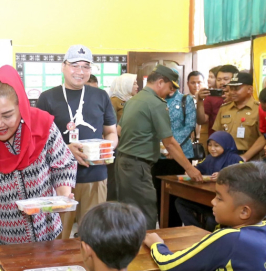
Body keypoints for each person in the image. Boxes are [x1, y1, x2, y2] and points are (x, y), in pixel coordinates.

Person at [0, 65, 76, 244]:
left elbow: (63, 163)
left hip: (47, 234)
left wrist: (63, 194)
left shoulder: (43, 125)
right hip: (0, 238)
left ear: (22, 108)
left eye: (7, 115)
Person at [36, 45, 117, 239]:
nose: (80, 71)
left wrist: (105, 149)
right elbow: (38, 142)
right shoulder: (47, 98)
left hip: (95, 176)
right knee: (57, 238)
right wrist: (64, 150)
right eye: (74, 65)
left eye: (85, 67)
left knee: (94, 236)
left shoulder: (101, 96)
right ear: (63, 67)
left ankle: (89, 270)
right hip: (59, 181)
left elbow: (111, 132)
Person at [116, 65, 202, 230]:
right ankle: (144, 251)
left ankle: (129, 246)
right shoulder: (155, 103)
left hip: (123, 162)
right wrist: (190, 169)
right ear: (160, 82)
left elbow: (119, 131)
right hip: (138, 164)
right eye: (170, 88)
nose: (170, 93)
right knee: (146, 211)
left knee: (129, 210)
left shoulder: (133, 100)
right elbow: (169, 142)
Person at [151, 74, 197, 228]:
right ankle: (164, 226)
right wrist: (164, 146)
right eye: (169, 86)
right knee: (160, 193)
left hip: (182, 154)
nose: (171, 90)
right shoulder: (155, 101)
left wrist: (172, 145)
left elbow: (189, 125)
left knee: (178, 195)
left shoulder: (186, 100)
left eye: (174, 87)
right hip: (159, 155)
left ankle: (177, 228)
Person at [175, 131, 243, 231]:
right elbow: (198, 168)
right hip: (207, 199)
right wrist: (190, 171)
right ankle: (196, 230)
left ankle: (207, 237)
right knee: (180, 202)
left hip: (225, 204)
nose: (212, 149)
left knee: (212, 220)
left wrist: (224, 176)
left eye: (216, 146)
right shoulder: (209, 158)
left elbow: (244, 176)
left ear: (226, 145)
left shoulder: (235, 159)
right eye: (210, 145)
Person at [211, 73, 262, 161]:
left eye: (237, 89)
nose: (232, 92)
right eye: (231, 88)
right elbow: (217, 134)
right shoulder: (224, 108)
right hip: (225, 157)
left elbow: (263, 138)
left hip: (250, 159)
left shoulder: (259, 109)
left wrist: (245, 157)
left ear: (250, 89)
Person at [106, 73, 138, 201]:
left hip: (130, 146)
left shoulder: (131, 101)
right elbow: (112, 126)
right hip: (117, 146)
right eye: (134, 83)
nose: (137, 86)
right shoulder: (114, 101)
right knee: (115, 181)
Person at [197, 65, 239, 138]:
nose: (222, 82)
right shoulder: (211, 98)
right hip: (217, 143)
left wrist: (233, 99)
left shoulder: (241, 96)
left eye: (226, 79)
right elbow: (201, 121)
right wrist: (199, 100)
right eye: (219, 80)